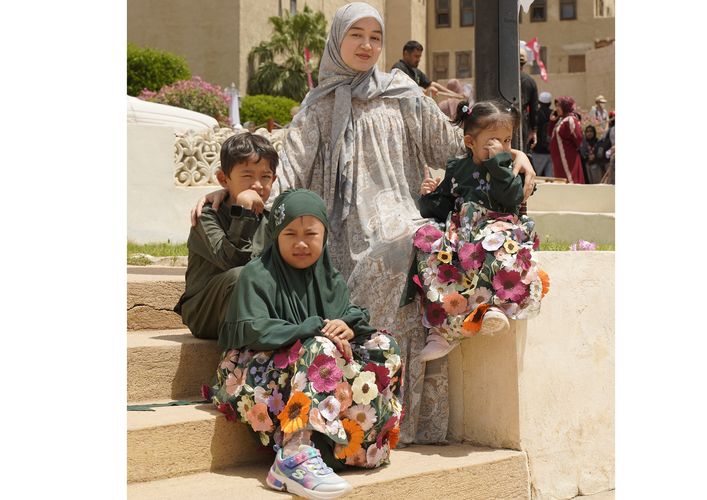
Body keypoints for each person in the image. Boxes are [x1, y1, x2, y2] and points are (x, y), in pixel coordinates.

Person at [193, 2, 537, 446]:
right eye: (357, 35)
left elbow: (455, 145)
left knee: (413, 244)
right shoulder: (317, 107)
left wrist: (509, 151)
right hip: (338, 233)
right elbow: (289, 171)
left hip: (401, 217)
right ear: (338, 39)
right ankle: (351, 425)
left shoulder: (404, 94)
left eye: (375, 37)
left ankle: (396, 423)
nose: (367, 45)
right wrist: (239, 195)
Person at [208, 189, 402, 499]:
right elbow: (252, 330)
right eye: (290, 234)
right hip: (254, 377)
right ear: (275, 235)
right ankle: (293, 455)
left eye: (311, 233)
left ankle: (352, 443)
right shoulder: (256, 275)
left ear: (324, 235)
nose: (301, 242)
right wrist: (309, 330)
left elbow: (340, 328)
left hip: (310, 377)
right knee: (317, 347)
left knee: (384, 345)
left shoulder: (330, 279)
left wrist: (345, 327)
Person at [412, 100, 549, 361]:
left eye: (507, 141)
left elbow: (510, 198)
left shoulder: (509, 168)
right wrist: (428, 197)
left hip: (500, 230)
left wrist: (498, 163)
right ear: (470, 142)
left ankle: (493, 308)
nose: (502, 147)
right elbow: (443, 206)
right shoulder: (456, 168)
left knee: (492, 245)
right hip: (462, 232)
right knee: (427, 242)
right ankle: (443, 329)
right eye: (493, 141)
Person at [174, 132, 277, 339]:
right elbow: (232, 261)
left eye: (265, 177)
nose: (257, 184)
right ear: (223, 179)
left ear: (273, 179)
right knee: (241, 275)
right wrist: (244, 212)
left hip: (256, 309)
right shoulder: (207, 217)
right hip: (207, 311)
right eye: (247, 175)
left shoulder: (272, 220)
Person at [549, 96, 585, 183]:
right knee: (561, 182)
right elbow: (550, 134)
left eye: (559, 106)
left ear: (565, 106)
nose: (556, 109)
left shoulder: (571, 119)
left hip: (568, 158)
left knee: (570, 181)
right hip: (559, 159)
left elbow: (578, 138)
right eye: (556, 106)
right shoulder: (561, 120)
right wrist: (552, 121)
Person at [519, 48, 538, 154]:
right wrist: (534, 130)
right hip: (522, 123)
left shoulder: (501, 79)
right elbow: (534, 109)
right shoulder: (530, 81)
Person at [531, 91, 553, 177]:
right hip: (551, 151)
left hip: (538, 150)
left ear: (539, 102)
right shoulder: (554, 114)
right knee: (551, 178)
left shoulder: (536, 114)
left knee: (536, 176)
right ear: (550, 103)